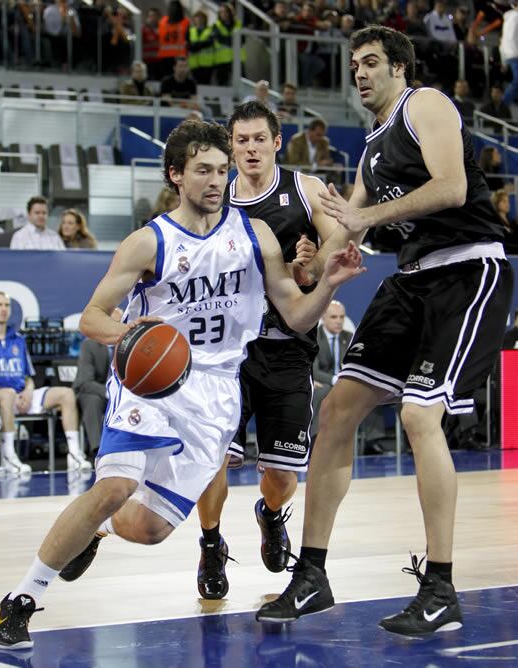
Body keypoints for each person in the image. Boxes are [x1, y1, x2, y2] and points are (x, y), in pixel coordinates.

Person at [0, 119, 364, 650]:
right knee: (115, 485)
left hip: (215, 393)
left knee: (147, 528)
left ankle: (96, 529)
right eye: (203, 171)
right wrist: (137, 338)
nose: (216, 181)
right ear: (176, 175)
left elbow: (298, 316)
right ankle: (19, 603)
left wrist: (327, 282)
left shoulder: (254, 236)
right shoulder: (149, 242)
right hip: (151, 382)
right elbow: (93, 317)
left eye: (221, 170)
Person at [256, 25, 513, 637]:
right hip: (412, 279)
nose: (361, 74)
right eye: (354, 66)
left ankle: (442, 587)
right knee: (338, 410)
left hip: (468, 268)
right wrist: (312, 263)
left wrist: (367, 215)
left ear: (399, 67)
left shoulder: (424, 104)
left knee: (420, 416)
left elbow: (451, 187)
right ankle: (312, 576)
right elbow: (346, 229)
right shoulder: (371, 148)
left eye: (371, 62)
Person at [195, 101, 339, 600]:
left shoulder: (305, 189)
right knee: (215, 456)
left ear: (277, 142)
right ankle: (211, 544)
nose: (251, 148)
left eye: (260, 139)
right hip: (228, 352)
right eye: (242, 140)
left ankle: (271, 513)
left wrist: (315, 262)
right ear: (230, 147)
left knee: (279, 474)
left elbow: (335, 251)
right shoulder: (215, 198)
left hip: (288, 348)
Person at [0, 291, 92, 476]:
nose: (4, 309)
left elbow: (28, 375)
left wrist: (29, 391)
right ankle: (8, 456)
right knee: (6, 394)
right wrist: (11, 394)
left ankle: (74, 454)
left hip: (23, 394)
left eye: (6, 305)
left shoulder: (18, 339)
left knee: (66, 394)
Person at [73, 309, 123, 456]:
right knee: (91, 399)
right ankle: (99, 450)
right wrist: (110, 392)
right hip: (98, 392)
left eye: (121, 323)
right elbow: (85, 382)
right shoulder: (89, 345)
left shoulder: (129, 345)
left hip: (122, 393)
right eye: (114, 324)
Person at [311, 300, 351, 438]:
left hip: (346, 384)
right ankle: (315, 436)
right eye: (334, 317)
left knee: (366, 392)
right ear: (323, 317)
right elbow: (314, 371)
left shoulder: (350, 338)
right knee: (323, 390)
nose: (339, 321)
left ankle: (373, 439)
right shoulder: (314, 337)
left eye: (341, 317)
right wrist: (336, 380)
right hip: (324, 382)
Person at [500, 0, 518, 107]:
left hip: (511, 54)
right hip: (514, 54)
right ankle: (503, 104)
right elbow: (509, 38)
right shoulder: (514, 17)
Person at [491, 188, 518, 254]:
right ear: (496, 203)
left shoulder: (513, 223)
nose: (507, 204)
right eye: (504, 201)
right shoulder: (495, 222)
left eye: (508, 201)